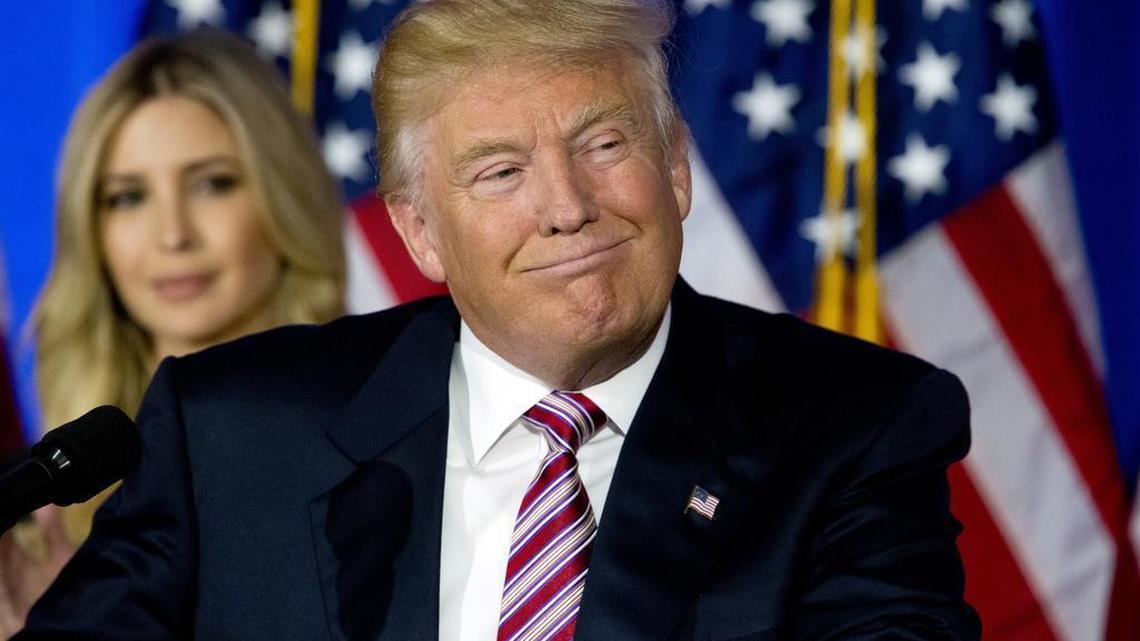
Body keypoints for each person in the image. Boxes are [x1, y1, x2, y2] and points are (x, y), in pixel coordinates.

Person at [16, 1, 980, 639]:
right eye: (500, 171)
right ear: (420, 231)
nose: (566, 205)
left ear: (676, 165)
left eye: (604, 143)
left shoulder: (857, 430)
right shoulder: (233, 434)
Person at [1, 29, 345, 635]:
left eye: (212, 183)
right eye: (128, 197)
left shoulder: (393, 450)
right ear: (92, 230)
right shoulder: (32, 537)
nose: (172, 235)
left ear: (282, 196)